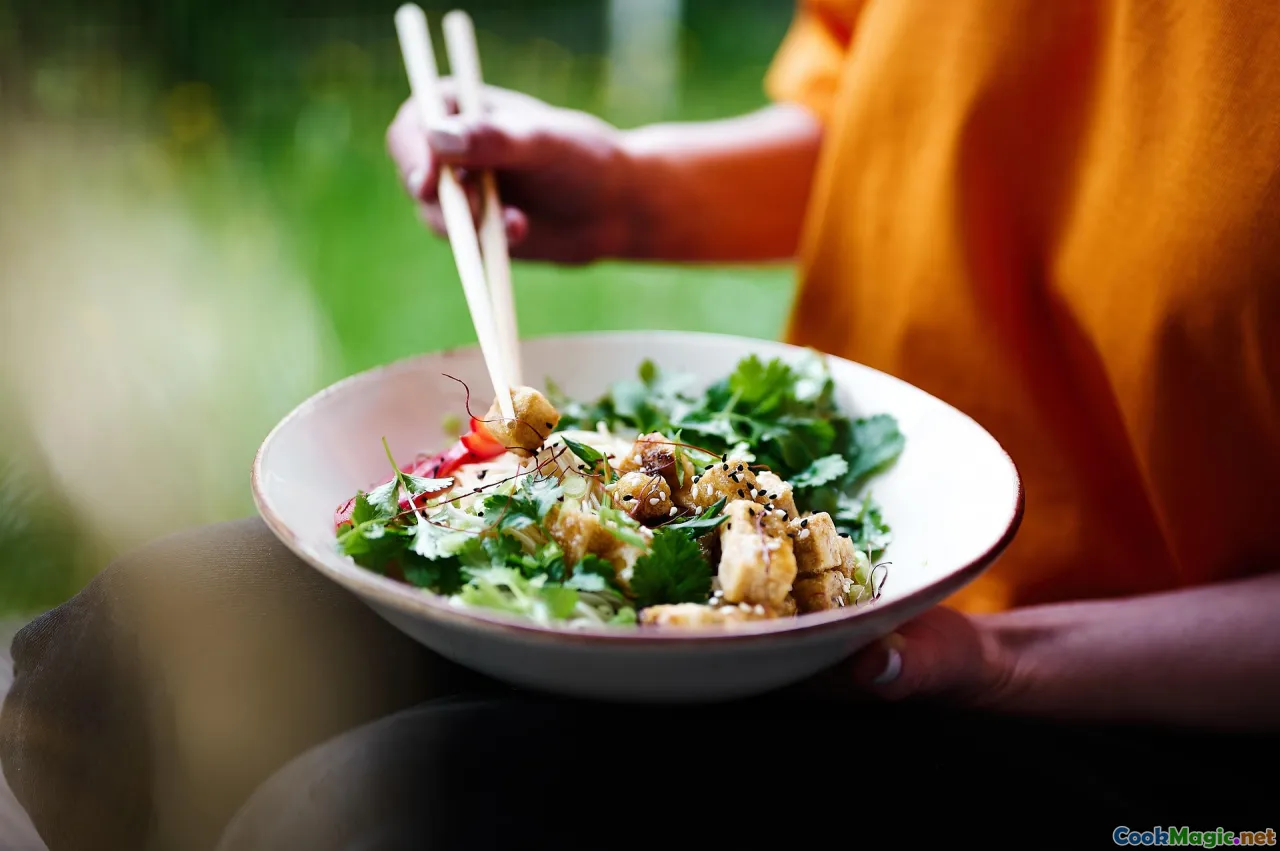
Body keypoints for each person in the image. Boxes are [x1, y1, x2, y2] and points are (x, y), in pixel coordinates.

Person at [4, 1, 1280, 849]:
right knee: (114, 669)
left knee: (365, 815)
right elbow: (876, 107)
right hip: (854, 567)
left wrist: (1004, 660)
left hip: (1156, 728)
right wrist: (625, 191)